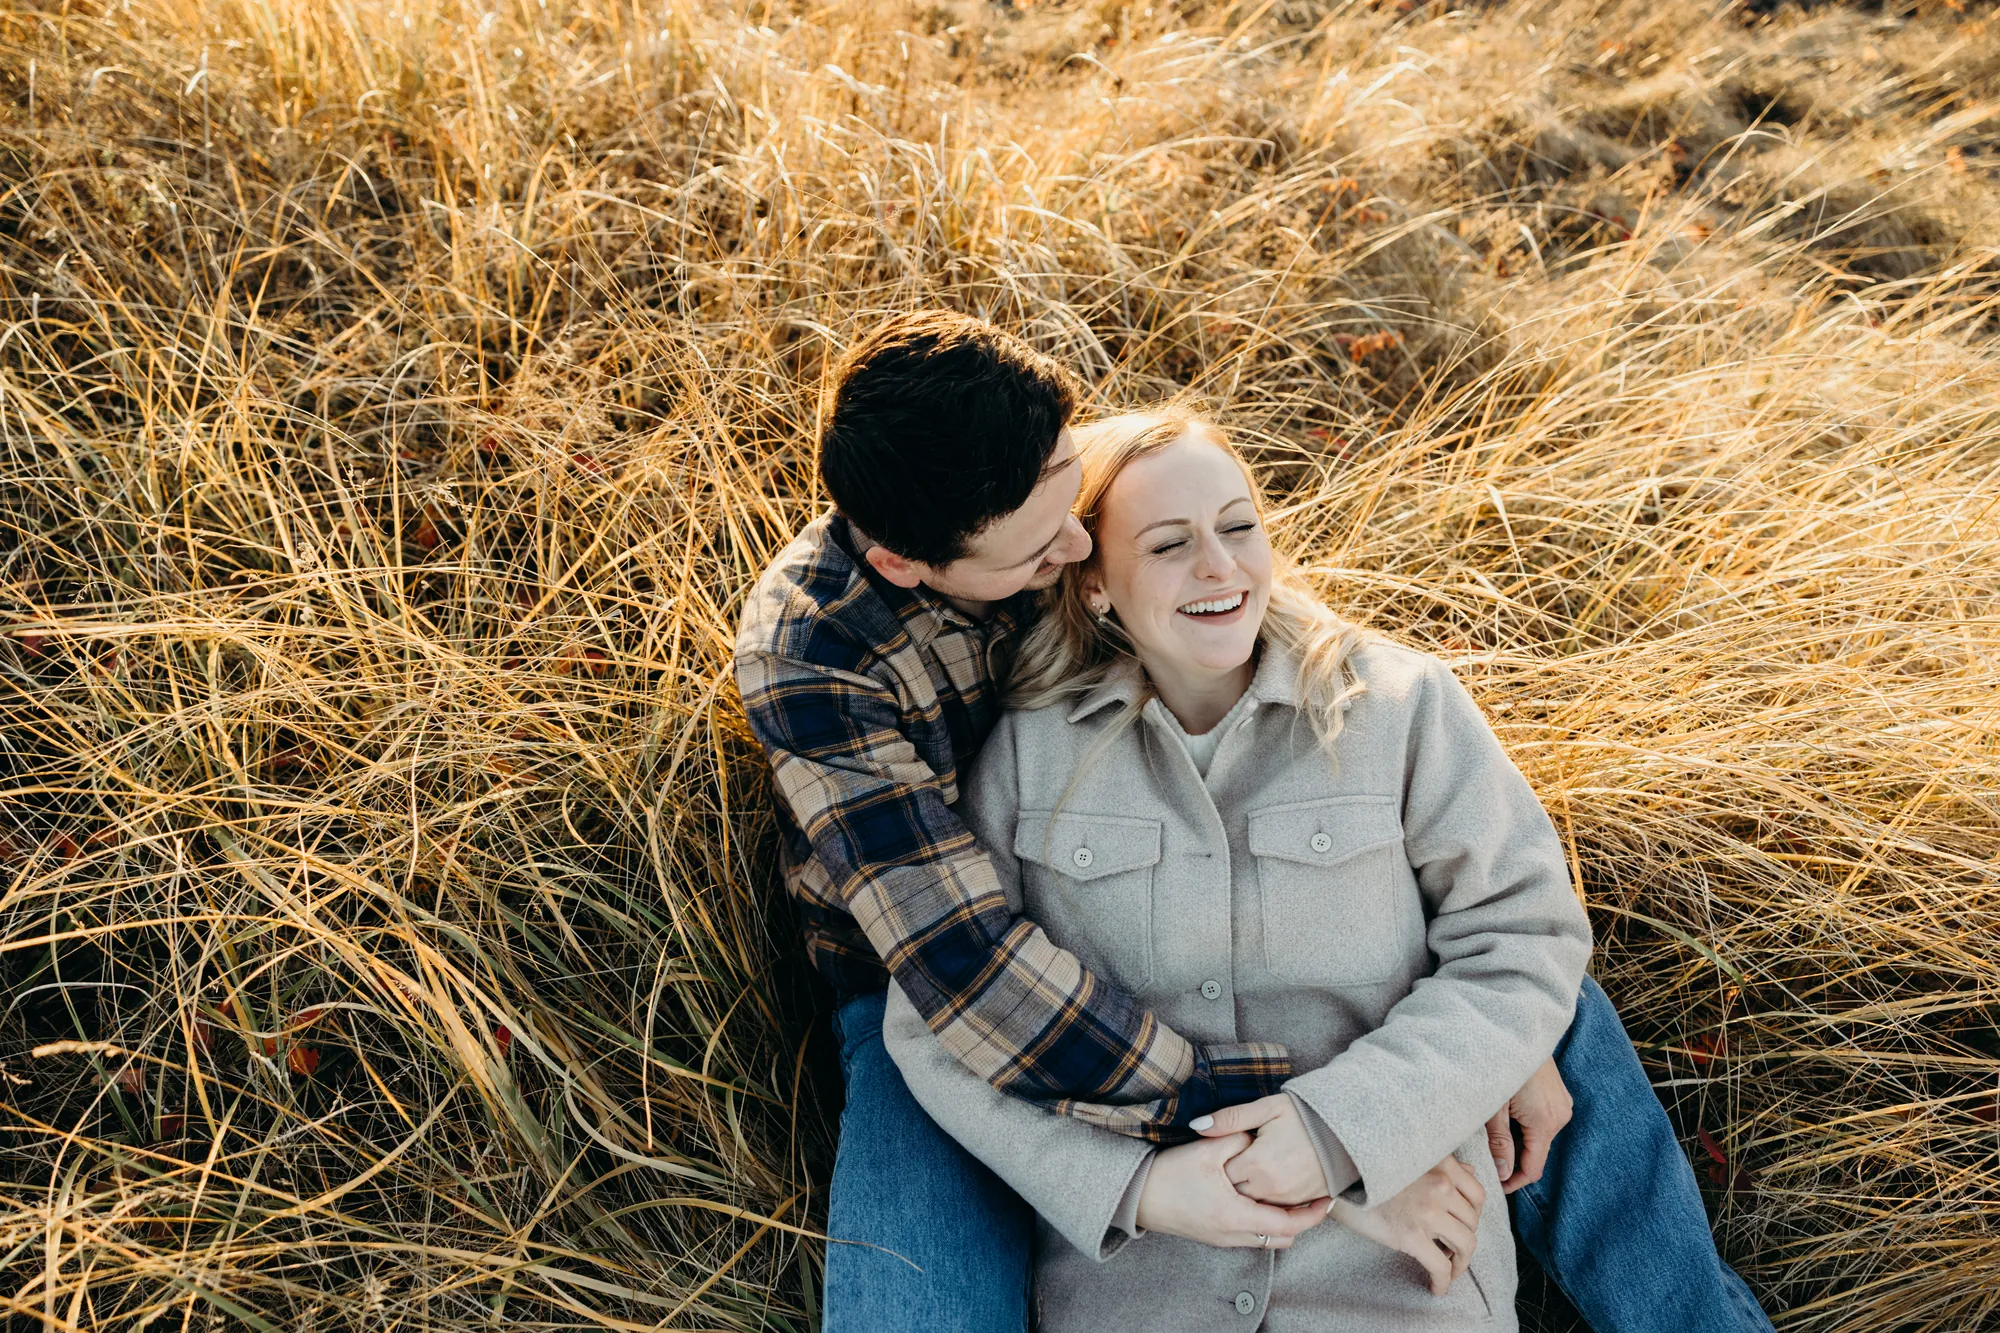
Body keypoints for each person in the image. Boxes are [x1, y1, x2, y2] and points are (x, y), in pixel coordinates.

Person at [732, 310, 1772, 1332]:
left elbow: (1514, 934)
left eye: (1072, 497)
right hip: (939, 967)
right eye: (1045, 547)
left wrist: (1462, 1070)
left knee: (1547, 1003)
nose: (1074, 535)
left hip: (1323, 1017)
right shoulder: (823, 659)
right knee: (915, 1298)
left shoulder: (1380, 700)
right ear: (914, 567)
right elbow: (962, 979)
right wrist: (1231, 1165)